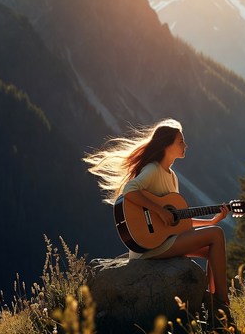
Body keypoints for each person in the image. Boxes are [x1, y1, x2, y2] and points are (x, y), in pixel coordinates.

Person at [83, 118, 231, 307]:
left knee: (214, 241)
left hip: (163, 241)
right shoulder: (153, 169)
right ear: (167, 145)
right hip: (151, 247)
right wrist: (159, 211)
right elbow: (129, 191)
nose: (186, 145)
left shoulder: (172, 176)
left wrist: (211, 221)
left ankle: (214, 299)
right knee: (216, 235)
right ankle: (223, 301)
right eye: (181, 142)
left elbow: (176, 219)